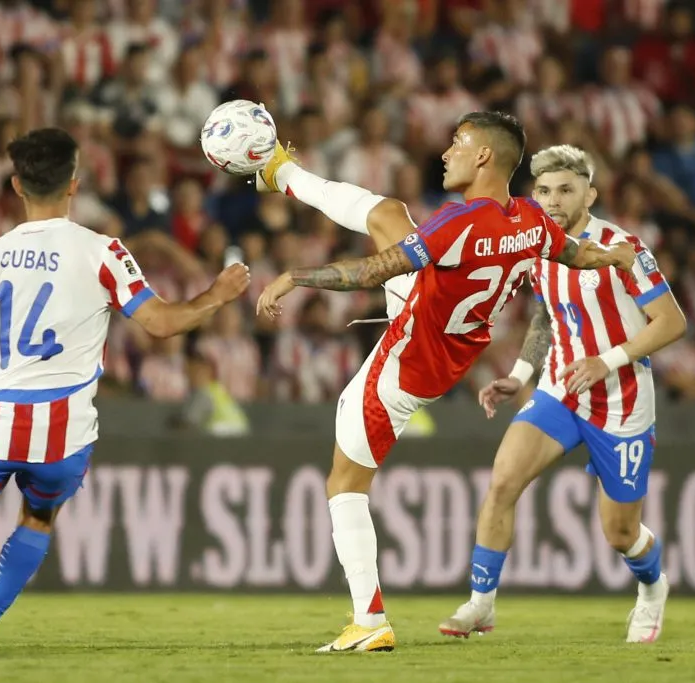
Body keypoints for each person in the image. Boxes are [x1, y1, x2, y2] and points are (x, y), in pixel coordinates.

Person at [253, 112, 637, 653]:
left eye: (458, 142)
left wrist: (294, 276)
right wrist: (615, 256)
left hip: (406, 362)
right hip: (449, 338)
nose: (445, 152)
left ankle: (370, 620)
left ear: (484, 157)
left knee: (343, 485)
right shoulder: (528, 218)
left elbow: (369, 273)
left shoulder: (456, 225)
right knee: (387, 213)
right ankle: (282, 171)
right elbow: (576, 254)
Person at [0, 128, 250, 653]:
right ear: (74, 184)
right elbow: (162, 324)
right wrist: (217, 295)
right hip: (64, 432)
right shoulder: (103, 253)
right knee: (38, 517)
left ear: (16, 185)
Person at [438, 145, 687, 644]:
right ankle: (481, 606)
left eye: (565, 190)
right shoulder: (537, 246)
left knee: (620, 533)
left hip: (620, 399)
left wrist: (606, 361)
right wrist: (521, 372)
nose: (553, 200)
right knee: (503, 480)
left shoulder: (623, 247)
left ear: (589, 194)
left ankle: (653, 589)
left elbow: (672, 322)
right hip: (559, 389)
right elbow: (548, 314)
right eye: (545, 190)